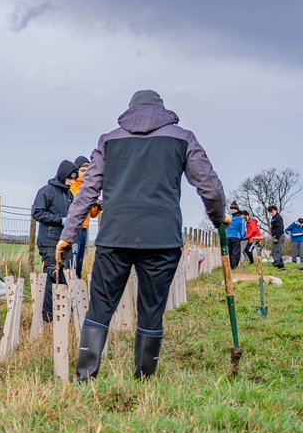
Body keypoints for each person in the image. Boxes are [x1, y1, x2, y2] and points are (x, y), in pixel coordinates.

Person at [57, 90, 225, 381]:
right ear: (162, 109)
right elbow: (209, 187)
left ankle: (86, 377)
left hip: (115, 236)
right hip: (162, 239)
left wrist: (68, 234)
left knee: (100, 307)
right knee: (151, 309)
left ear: (130, 110)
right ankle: (144, 378)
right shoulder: (183, 138)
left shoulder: (108, 140)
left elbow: (87, 192)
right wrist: (218, 217)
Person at [32, 159, 79, 322]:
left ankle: (61, 311)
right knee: (52, 275)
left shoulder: (69, 195)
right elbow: (37, 213)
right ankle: (48, 315)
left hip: (64, 241)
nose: (72, 181)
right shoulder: (46, 191)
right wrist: (60, 220)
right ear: (62, 175)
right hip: (49, 240)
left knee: (60, 275)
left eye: (74, 178)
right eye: (70, 178)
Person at [68, 154, 101, 277]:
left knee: (79, 262)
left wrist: (98, 207)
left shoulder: (89, 188)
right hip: (73, 228)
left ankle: (77, 284)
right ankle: (69, 283)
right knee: (72, 261)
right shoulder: (71, 187)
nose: (85, 173)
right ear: (76, 171)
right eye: (82, 170)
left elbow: (92, 214)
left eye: (88, 171)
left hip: (84, 229)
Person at [225, 205, 245, 269]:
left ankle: (229, 267)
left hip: (227, 237)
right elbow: (242, 231)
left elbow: (225, 229)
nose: (231, 210)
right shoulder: (241, 220)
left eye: (232, 209)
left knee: (229, 252)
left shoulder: (229, 220)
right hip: (236, 237)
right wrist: (241, 238)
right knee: (235, 253)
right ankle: (234, 267)